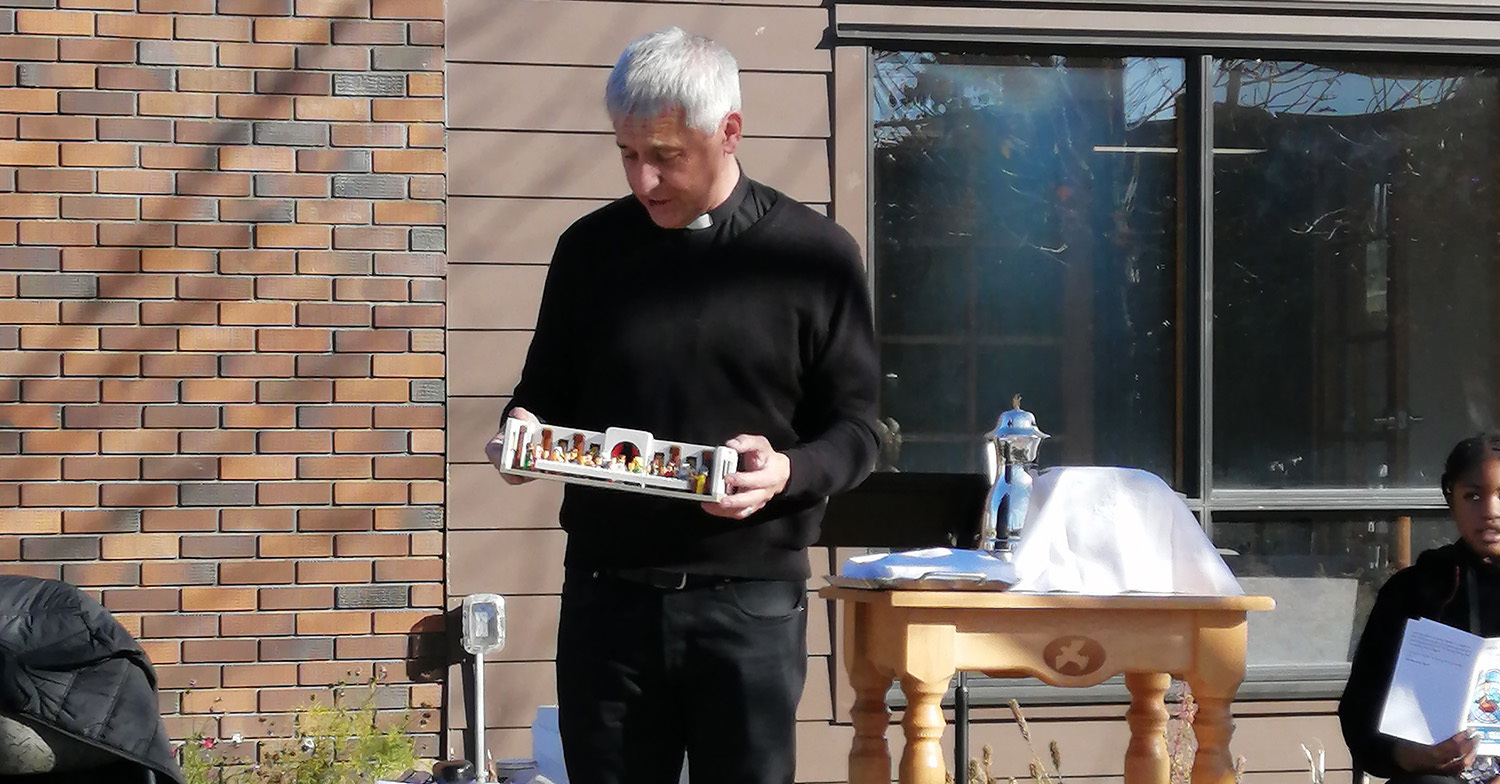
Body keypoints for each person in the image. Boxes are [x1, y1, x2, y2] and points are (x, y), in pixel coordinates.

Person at [483, 26, 879, 784]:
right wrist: (521, 435)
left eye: (666, 155)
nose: (644, 180)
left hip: (750, 606)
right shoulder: (589, 251)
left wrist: (787, 471)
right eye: (627, 153)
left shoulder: (814, 256)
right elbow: (539, 397)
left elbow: (859, 431)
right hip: (607, 603)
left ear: (729, 131)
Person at [1339, 433, 1500, 784]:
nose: (1490, 511)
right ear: (1450, 498)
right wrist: (1409, 756)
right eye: (1473, 496)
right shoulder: (1414, 592)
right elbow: (1360, 711)